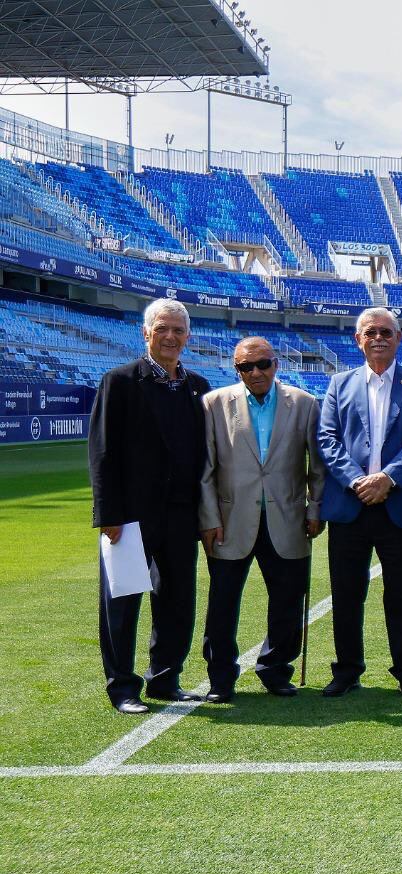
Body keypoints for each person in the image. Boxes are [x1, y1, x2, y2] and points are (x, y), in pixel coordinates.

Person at [88, 298, 211, 713]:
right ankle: (122, 687)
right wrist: (108, 514)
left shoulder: (198, 386)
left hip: (181, 514)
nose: (171, 337)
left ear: (188, 337)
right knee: (122, 602)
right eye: (162, 328)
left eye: (178, 330)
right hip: (130, 517)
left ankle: (164, 679)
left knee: (177, 601)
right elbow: (102, 452)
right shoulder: (120, 381)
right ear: (146, 333)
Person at [197, 337, 326, 700]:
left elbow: (317, 466)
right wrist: (208, 518)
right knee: (222, 605)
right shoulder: (213, 404)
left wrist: (315, 509)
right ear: (235, 369)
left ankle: (275, 670)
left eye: (262, 364)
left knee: (287, 602)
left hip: (288, 519)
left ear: (276, 364)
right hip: (229, 519)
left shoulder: (303, 404)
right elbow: (205, 469)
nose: (255, 372)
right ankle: (221, 677)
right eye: (245, 367)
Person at [317, 307, 402, 698]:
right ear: (358, 340)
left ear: (398, 338)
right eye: (370, 332)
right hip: (350, 507)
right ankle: (347, 670)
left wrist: (388, 478)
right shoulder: (339, 384)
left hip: (397, 506)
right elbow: (327, 440)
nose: (378, 338)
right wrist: (357, 481)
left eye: (386, 332)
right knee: (347, 593)